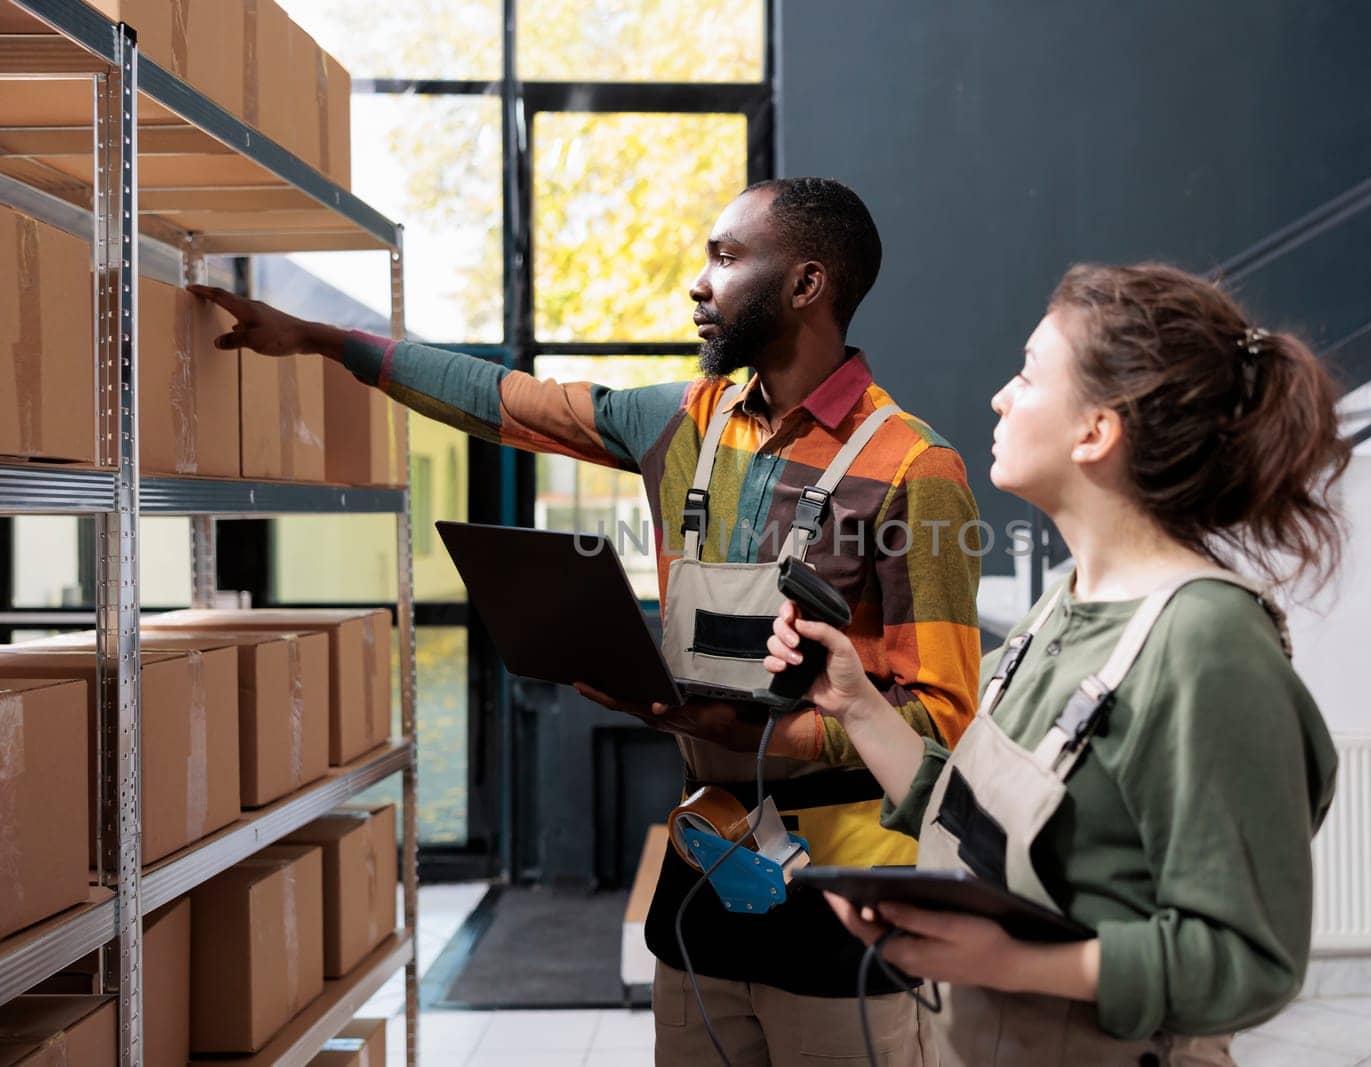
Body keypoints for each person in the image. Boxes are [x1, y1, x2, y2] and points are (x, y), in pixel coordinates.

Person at [192, 177, 981, 1066]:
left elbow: (942, 722)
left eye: (725, 258)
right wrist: (326, 342)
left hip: (847, 903)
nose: (700, 282)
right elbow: (502, 400)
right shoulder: (683, 421)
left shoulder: (917, 466)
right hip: (706, 882)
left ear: (806, 285)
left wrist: (771, 733)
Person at [765, 263, 1346, 1065]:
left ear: (1095, 431)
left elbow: (1250, 960)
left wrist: (1009, 962)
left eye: (1029, 374)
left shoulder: (1206, 644)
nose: (1002, 396)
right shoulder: (1063, 604)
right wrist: (858, 702)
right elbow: (963, 817)